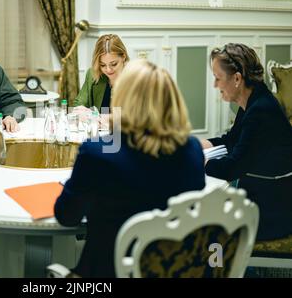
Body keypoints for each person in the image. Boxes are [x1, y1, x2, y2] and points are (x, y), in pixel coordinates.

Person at [55, 59, 206, 278]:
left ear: (124, 100)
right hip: (174, 270)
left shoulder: (97, 153)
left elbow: (67, 216)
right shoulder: (192, 151)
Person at [201, 43, 292, 241]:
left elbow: (232, 168)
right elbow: (232, 141)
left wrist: (199, 161)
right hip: (261, 196)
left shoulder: (260, 111)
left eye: (217, 78)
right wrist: (199, 145)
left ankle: (217, 269)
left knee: (207, 227)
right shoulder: (253, 101)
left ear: (237, 79)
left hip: (271, 211)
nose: (215, 85)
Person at [73, 34, 129, 128]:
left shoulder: (135, 77)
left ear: (123, 57)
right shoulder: (92, 74)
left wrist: (108, 120)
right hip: (98, 133)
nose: (108, 70)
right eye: (103, 65)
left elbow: (140, 117)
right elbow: (78, 104)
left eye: (114, 64)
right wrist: (86, 114)